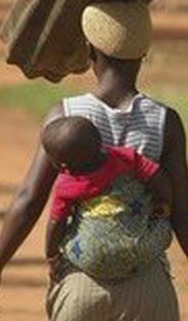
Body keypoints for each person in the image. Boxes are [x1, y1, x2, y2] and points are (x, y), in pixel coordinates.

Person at [0, 0, 188, 321]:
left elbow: (30, 198)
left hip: (80, 285)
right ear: (143, 54)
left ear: (89, 51)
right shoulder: (165, 121)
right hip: (147, 289)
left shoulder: (63, 116)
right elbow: (185, 211)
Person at [41, 115, 173, 281]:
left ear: (62, 165)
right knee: (162, 225)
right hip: (141, 251)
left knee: (69, 234)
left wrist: (52, 257)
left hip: (91, 258)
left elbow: (56, 223)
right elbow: (157, 176)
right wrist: (164, 203)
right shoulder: (125, 158)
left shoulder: (66, 184)